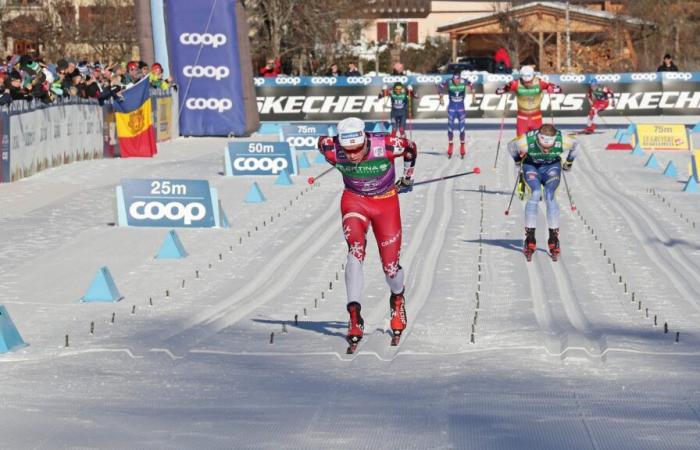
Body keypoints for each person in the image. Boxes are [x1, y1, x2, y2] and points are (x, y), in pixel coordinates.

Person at [317, 117, 417, 353]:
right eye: (347, 151)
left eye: (357, 150)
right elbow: (322, 143)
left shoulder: (388, 144)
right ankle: (354, 315)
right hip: (355, 201)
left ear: (365, 141)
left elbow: (411, 148)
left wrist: (407, 177)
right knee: (355, 250)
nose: (352, 156)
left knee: (390, 268)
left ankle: (397, 298)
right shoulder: (331, 148)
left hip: (386, 203)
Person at [507, 124, 580, 261]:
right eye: (543, 147)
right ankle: (530, 237)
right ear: (538, 140)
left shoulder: (563, 140)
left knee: (549, 195)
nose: (546, 150)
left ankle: (554, 237)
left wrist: (569, 162)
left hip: (552, 167)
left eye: (549, 148)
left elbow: (576, 144)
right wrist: (517, 161)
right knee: (535, 193)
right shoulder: (526, 141)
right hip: (531, 166)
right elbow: (511, 146)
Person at [495, 65, 562, 137]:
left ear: (533, 76)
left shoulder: (540, 82)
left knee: (537, 142)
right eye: (525, 81)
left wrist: (551, 88)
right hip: (522, 120)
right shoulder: (515, 83)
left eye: (529, 81)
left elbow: (559, 89)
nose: (527, 83)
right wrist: (505, 89)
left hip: (536, 119)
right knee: (521, 143)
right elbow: (498, 91)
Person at [437, 70, 473, 158]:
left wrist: (473, 89)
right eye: (454, 80)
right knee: (450, 128)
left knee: (461, 129)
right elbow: (440, 86)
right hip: (452, 107)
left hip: (461, 108)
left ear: (460, 78)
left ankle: (462, 146)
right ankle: (450, 145)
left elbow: (471, 84)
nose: (455, 81)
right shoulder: (449, 81)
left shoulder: (463, 81)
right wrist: (441, 93)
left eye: (457, 80)